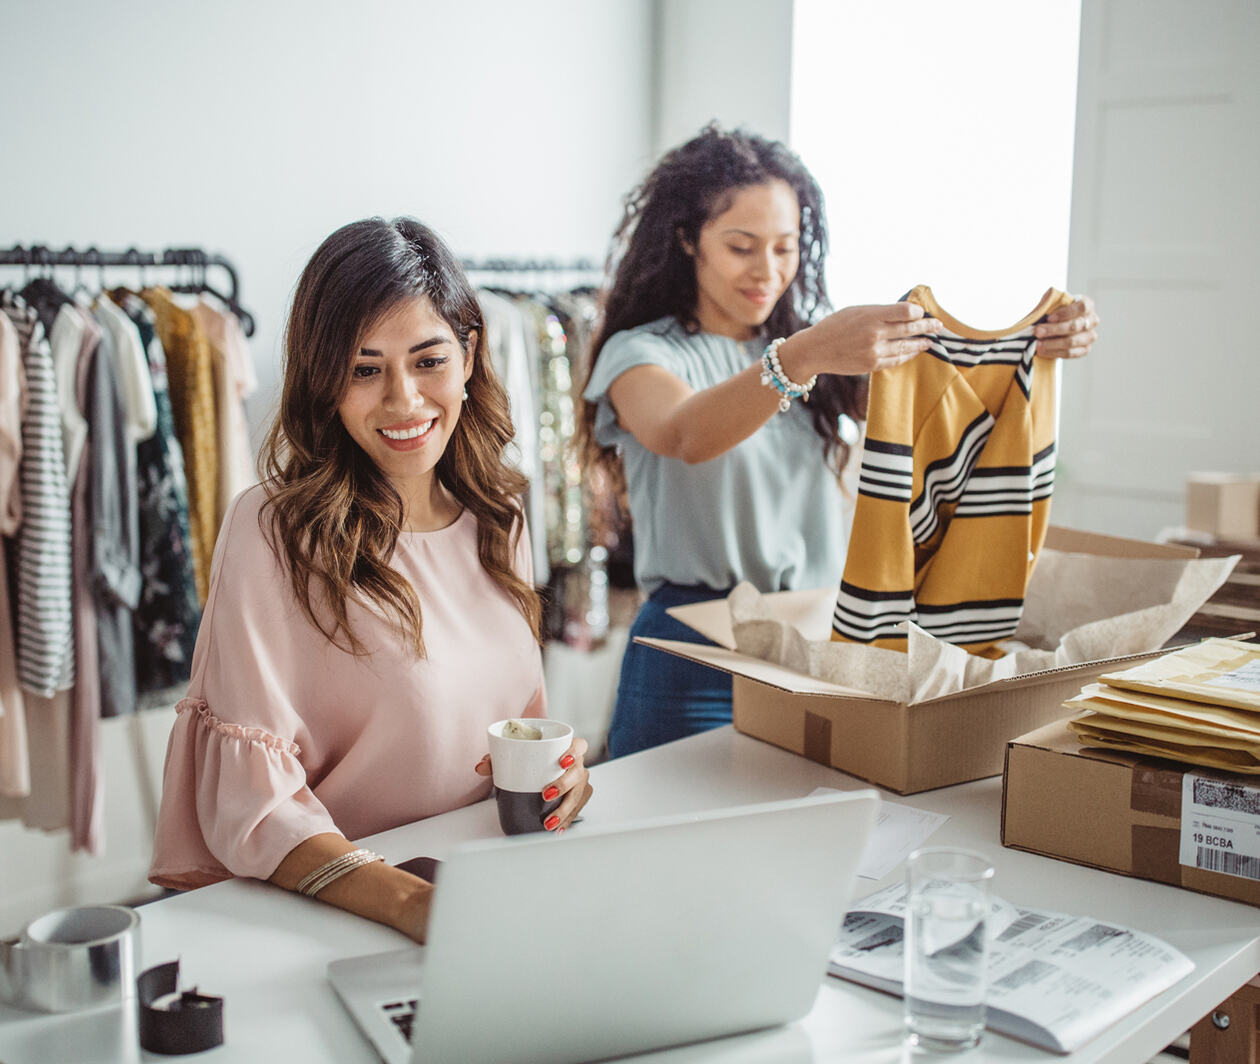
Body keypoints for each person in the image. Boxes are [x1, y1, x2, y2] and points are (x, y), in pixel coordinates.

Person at [580, 124, 1099, 759]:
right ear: (688, 240)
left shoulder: (817, 355)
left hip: (815, 643)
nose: (766, 271)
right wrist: (804, 355)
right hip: (693, 654)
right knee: (661, 841)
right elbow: (684, 433)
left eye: (785, 247)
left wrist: (1041, 342)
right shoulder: (642, 353)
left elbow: (946, 400)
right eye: (741, 246)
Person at [149, 217, 592, 943]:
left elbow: (516, 728)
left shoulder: (498, 514)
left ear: (470, 354)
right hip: (334, 918)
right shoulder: (273, 532)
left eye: (428, 361)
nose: (404, 402)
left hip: (490, 894)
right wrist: (414, 907)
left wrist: (563, 778)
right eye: (364, 368)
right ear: (324, 380)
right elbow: (253, 805)